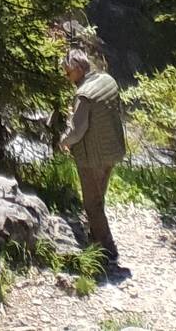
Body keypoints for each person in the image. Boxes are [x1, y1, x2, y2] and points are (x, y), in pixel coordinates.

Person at [63, 46, 126, 266]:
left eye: (68, 72)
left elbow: (77, 131)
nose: (67, 77)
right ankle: (96, 238)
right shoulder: (108, 81)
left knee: (91, 204)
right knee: (99, 198)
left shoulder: (84, 95)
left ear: (79, 69)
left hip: (92, 157)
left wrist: (63, 141)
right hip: (112, 151)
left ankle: (108, 250)